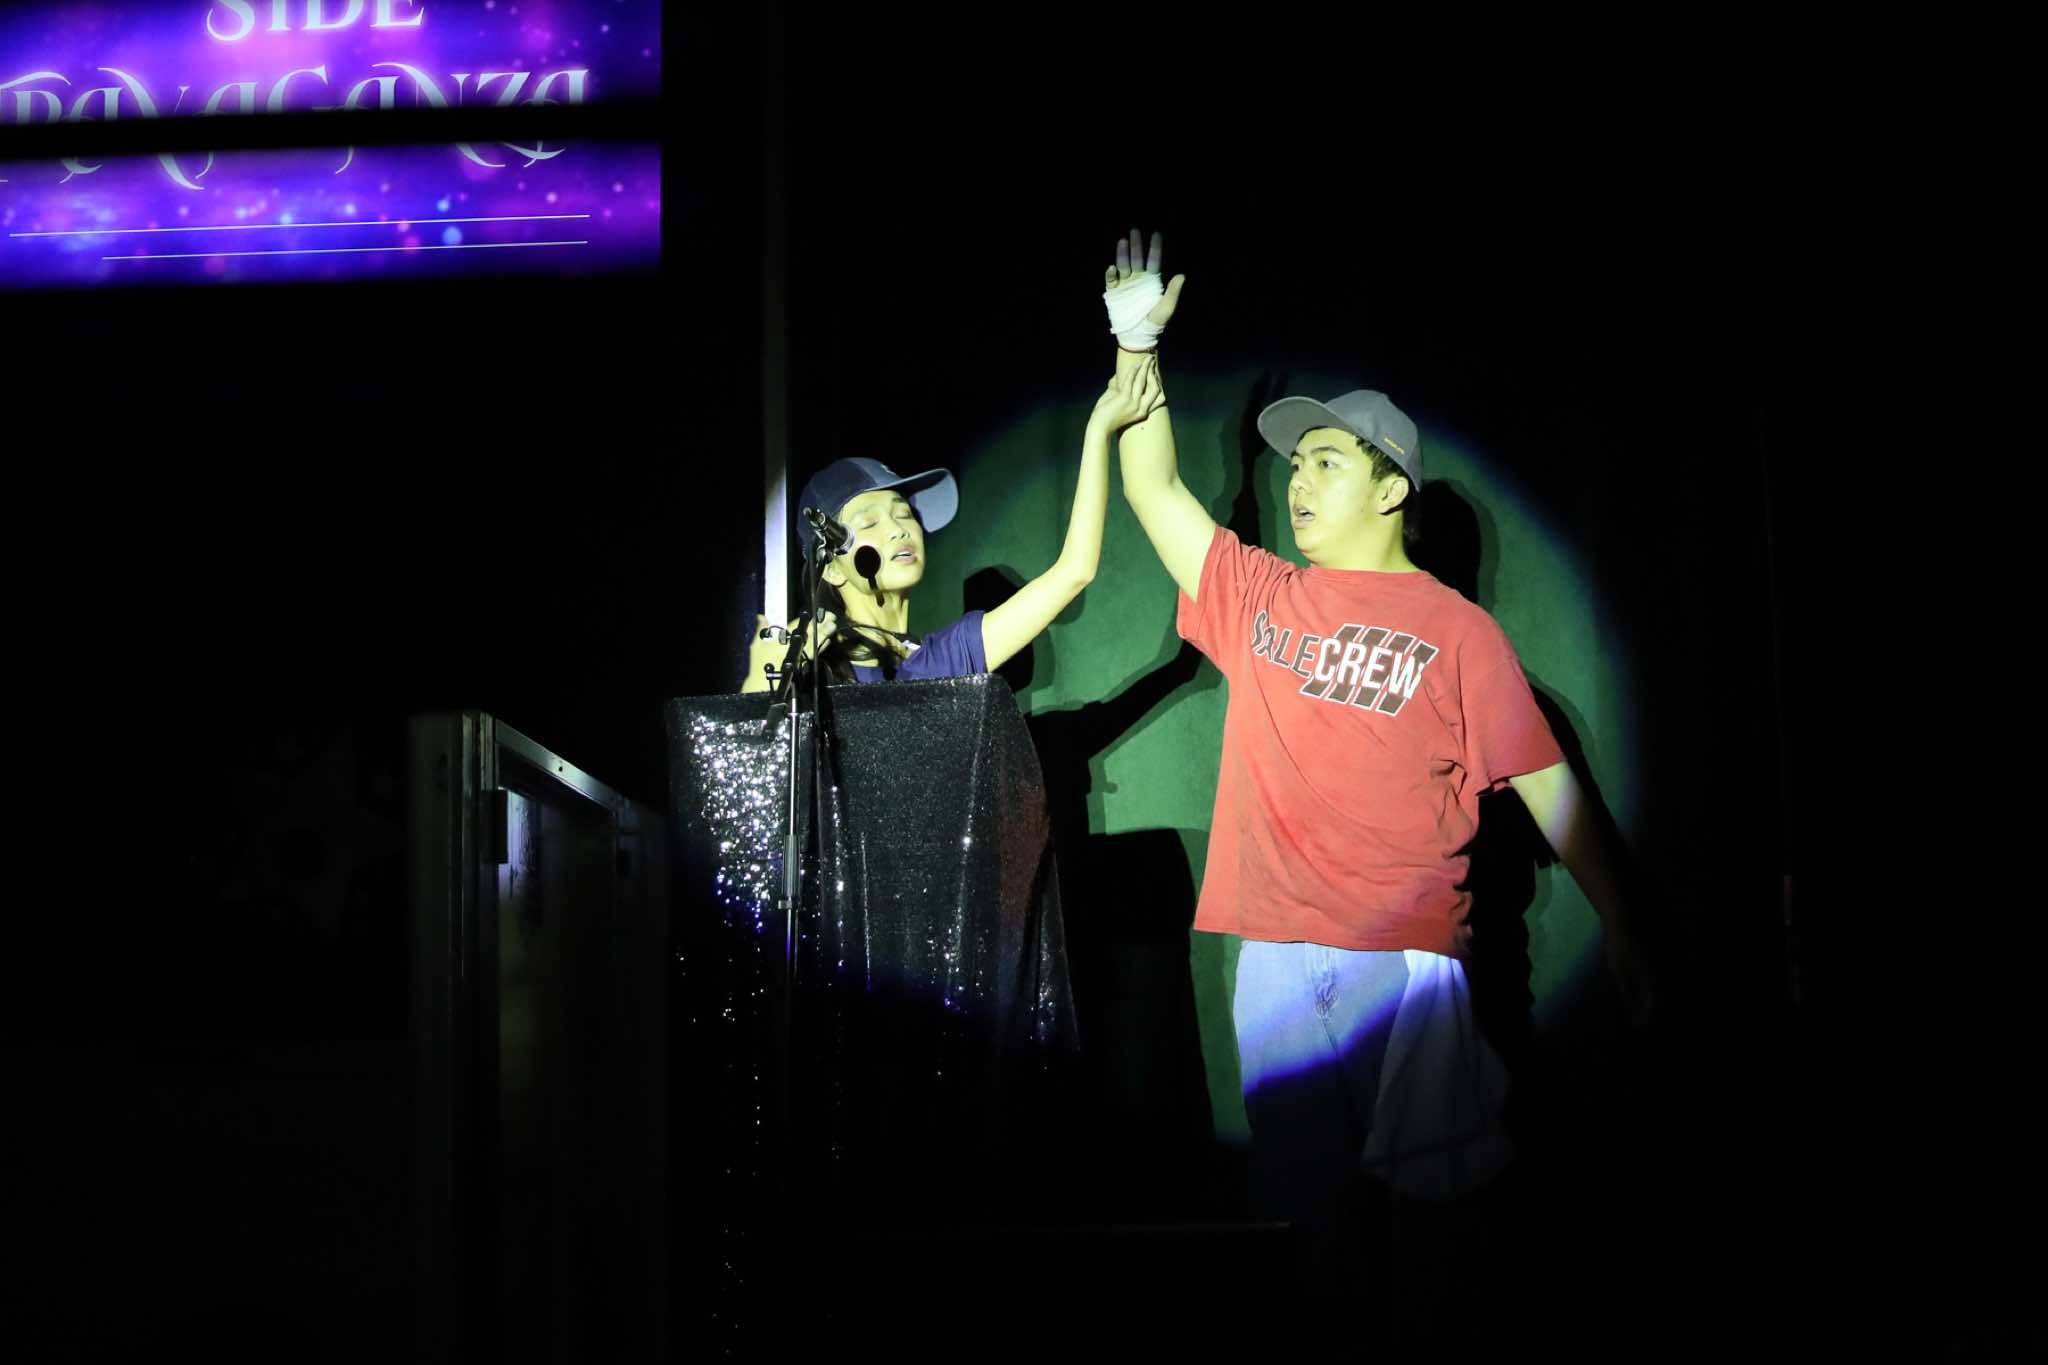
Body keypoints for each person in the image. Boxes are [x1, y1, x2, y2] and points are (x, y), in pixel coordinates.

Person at [1101, 227, 1653, 1286]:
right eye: (1293, 464)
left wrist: (1626, 925)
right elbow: (1153, 492)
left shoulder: (1457, 632)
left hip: (1402, 964)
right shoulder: (1260, 595)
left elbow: (1550, 791)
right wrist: (1136, 344)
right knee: (1307, 1226)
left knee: (1431, 1230)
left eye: (1325, 460)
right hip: (1272, 957)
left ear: (1390, 488)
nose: (1298, 480)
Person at [740, 360, 1163, 692]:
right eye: (869, 523)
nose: (898, 530)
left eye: (904, 514)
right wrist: (765, 679)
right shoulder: (812, 669)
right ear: (831, 567)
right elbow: (749, 755)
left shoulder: (950, 656)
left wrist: (1097, 431)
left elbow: (1075, 570)